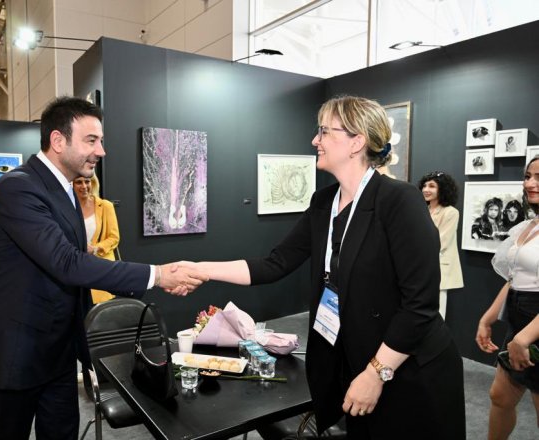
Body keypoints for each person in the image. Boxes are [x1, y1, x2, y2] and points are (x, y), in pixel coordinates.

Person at [181, 96, 465, 438]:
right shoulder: (323, 201)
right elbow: (275, 264)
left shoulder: (399, 200)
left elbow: (419, 306)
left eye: (324, 131)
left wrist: (376, 373)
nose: (315, 140)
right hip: (356, 355)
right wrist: (200, 269)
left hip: (408, 369)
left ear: (356, 142)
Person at [0, 96, 207, 440]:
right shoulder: (17, 188)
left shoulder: (65, 190)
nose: (101, 151)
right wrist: (157, 275)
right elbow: (67, 262)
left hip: (60, 349)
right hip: (19, 349)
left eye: (101, 141)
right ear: (58, 140)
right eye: (91, 140)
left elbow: (79, 263)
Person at [476, 155, 539, 439]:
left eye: (538, 177)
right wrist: (488, 318)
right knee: (500, 396)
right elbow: (514, 279)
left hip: (533, 326)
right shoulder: (528, 226)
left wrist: (524, 339)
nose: (530, 183)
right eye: (527, 176)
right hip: (520, 322)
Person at [418, 171, 464, 319]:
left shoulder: (451, 212)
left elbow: (442, 241)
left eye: (432, 186)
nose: (426, 189)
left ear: (442, 189)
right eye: (424, 185)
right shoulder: (422, 210)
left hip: (439, 267)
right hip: (419, 266)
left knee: (438, 312)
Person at [73, 173, 119, 303]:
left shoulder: (105, 206)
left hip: (100, 268)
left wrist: (95, 248)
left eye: (87, 181)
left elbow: (114, 237)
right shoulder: (66, 207)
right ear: (71, 184)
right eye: (79, 182)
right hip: (74, 268)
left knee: (100, 312)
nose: (84, 186)